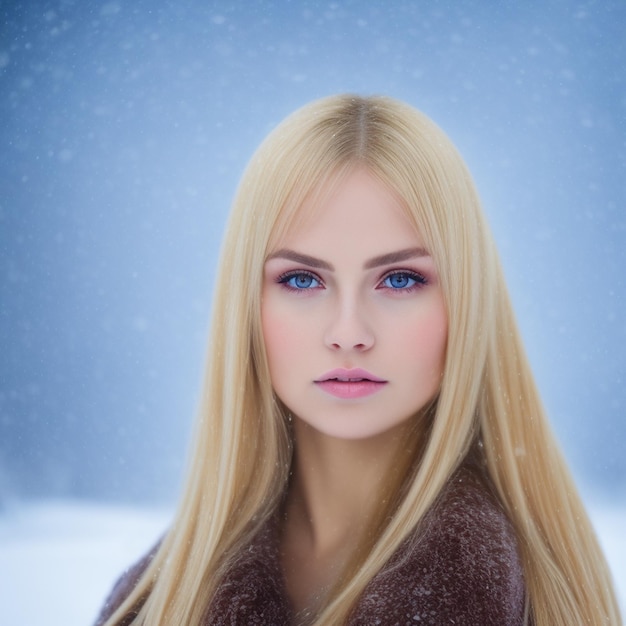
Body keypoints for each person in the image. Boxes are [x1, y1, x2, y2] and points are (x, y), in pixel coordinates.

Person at [95, 95, 620, 625]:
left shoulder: (546, 602)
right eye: (301, 279)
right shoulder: (150, 605)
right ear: (246, 308)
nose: (349, 333)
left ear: (466, 301)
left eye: (400, 279)